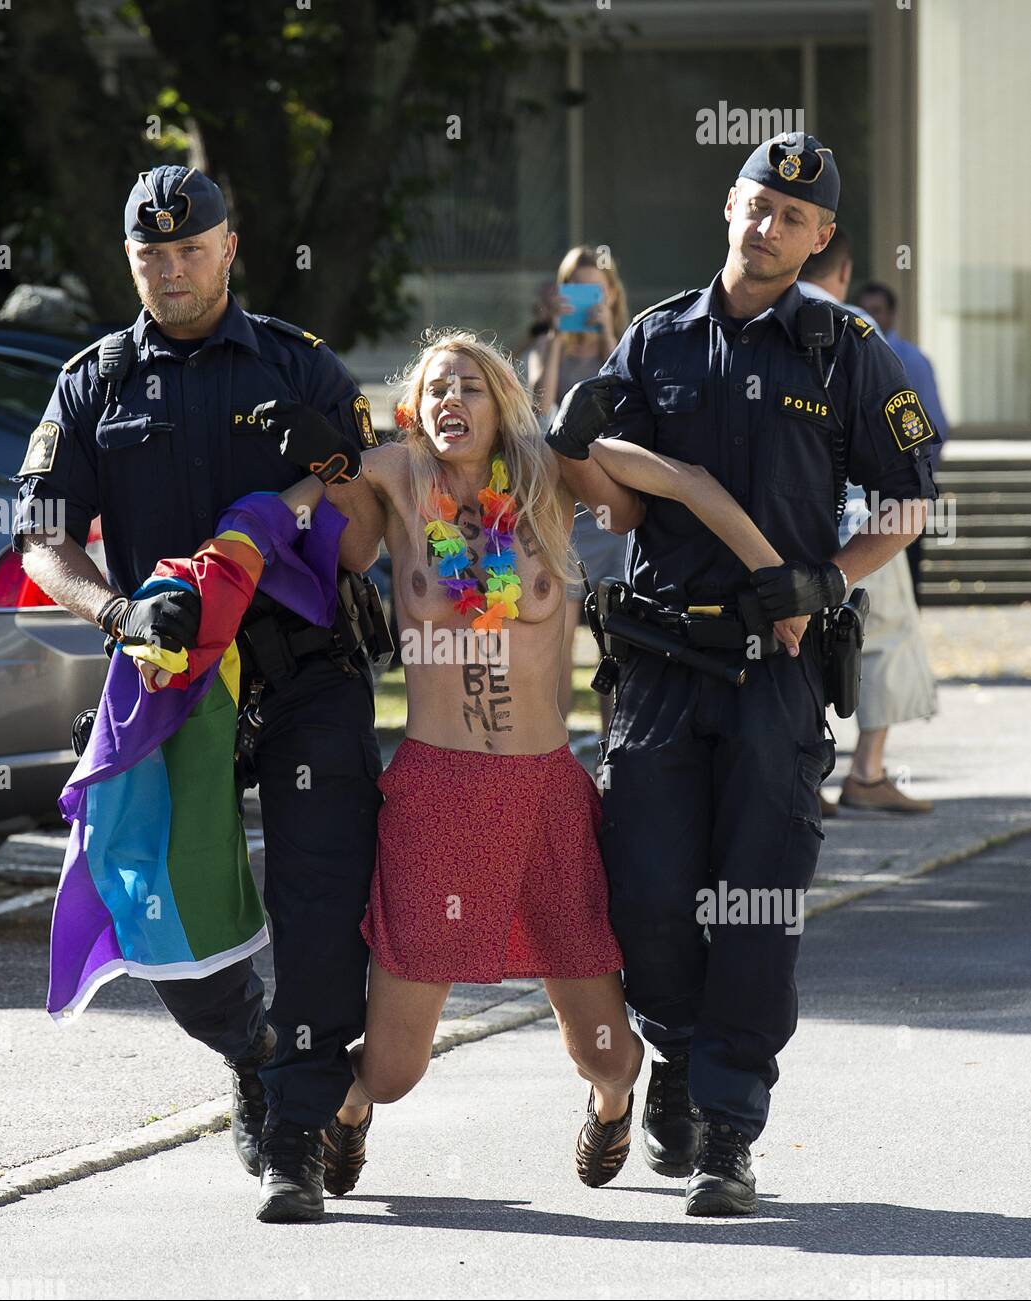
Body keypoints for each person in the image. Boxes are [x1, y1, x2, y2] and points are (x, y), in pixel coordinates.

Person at [266, 329, 809, 1199]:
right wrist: (306, 480)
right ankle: (352, 1111)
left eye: (471, 388)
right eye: (437, 388)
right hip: (436, 795)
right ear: (413, 407)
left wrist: (779, 580)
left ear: (504, 404)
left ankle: (610, 1106)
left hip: (543, 795)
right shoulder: (401, 476)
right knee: (396, 1068)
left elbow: (676, 486)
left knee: (604, 1050)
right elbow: (298, 515)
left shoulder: (550, 477)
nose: (452, 401)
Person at [548, 134, 940, 1216]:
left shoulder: (847, 349)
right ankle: (673, 1050)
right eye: (757, 204)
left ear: (820, 239)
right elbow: (615, 507)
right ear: (729, 204)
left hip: (774, 671)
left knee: (758, 905)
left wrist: (822, 581)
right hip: (661, 665)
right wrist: (578, 449)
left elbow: (904, 503)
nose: (768, 226)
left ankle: (727, 1128)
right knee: (651, 900)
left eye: (792, 217)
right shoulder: (654, 339)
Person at [11, 165, 389, 1225]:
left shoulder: (299, 366)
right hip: (166, 678)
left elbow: (371, 502)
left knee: (317, 904)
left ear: (231, 248)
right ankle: (254, 1047)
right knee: (156, 905)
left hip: (304, 670)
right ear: (128, 260)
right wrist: (117, 614)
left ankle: (295, 1137)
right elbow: (41, 537)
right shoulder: (94, 380)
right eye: (150, 255)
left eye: (190, 250)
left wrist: (311, 492)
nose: (171, 270)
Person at [800, 236, 938, 814]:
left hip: (779, 514)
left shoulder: (749, 320)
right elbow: (899, 439)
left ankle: (801, 776)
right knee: (883, 637)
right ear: (845, 271)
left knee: (792, 636)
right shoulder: (853, 327)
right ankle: (868, 771)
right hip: (861, 511)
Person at [527, 246, 631, 730]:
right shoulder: (545, 347)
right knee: (559, 638)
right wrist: (552, 338)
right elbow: (538, 414)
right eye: (577, 291)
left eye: (597, 290)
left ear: (611, 294)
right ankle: (556, 750)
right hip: (563, 513)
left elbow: (629, 406)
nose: (587, 303)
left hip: (612, 511)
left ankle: (615, 752)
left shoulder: (627, 347)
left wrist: (609, 330)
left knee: (615, 636)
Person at [856, 280, 949, 604]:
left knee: (905, 585)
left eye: (877, 311)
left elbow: (934, 426)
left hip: (901, 494)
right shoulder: (849, 351)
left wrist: (917, 480)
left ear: (892, 314)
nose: (870, 316)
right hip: (861, 496)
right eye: (866, 310)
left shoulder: (911, 360)